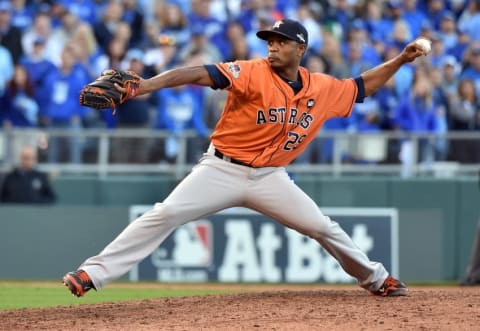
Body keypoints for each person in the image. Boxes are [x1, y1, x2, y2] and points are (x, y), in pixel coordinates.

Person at [63, 19, 427, 298]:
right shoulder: (252, 72)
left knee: (321, 227)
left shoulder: (323, 88)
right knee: (165, 214)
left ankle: (377, 279)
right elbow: (199, 73)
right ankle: (91, 274)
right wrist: (146, 85)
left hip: (271, 177)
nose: (272, 47)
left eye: (280, 42)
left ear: (300, 48)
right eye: (269, 41)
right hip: (221, 168)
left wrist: (401, 59)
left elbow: (361, 87)